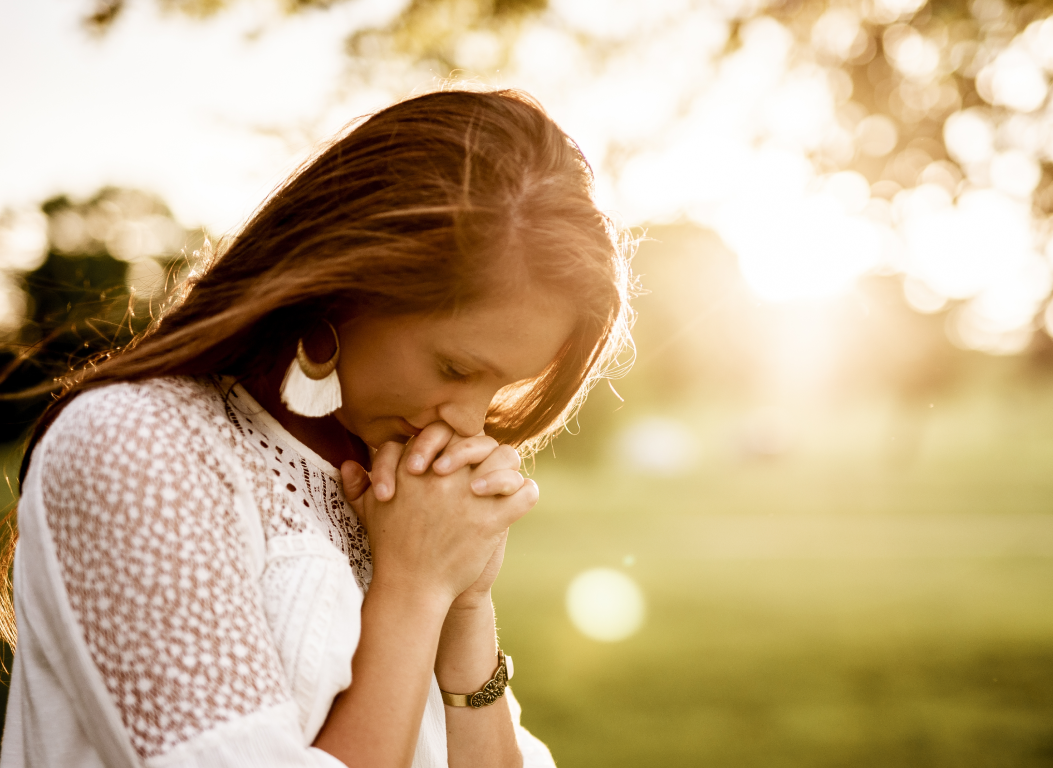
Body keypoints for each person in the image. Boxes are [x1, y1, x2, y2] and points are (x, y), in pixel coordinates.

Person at [0, 88, 632, 768]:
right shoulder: (139, 446)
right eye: (453, 366)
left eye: (500, 385)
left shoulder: (395, 491)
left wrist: (464, 608)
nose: (471, 422)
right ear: (348, 283)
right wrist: (415, 589)